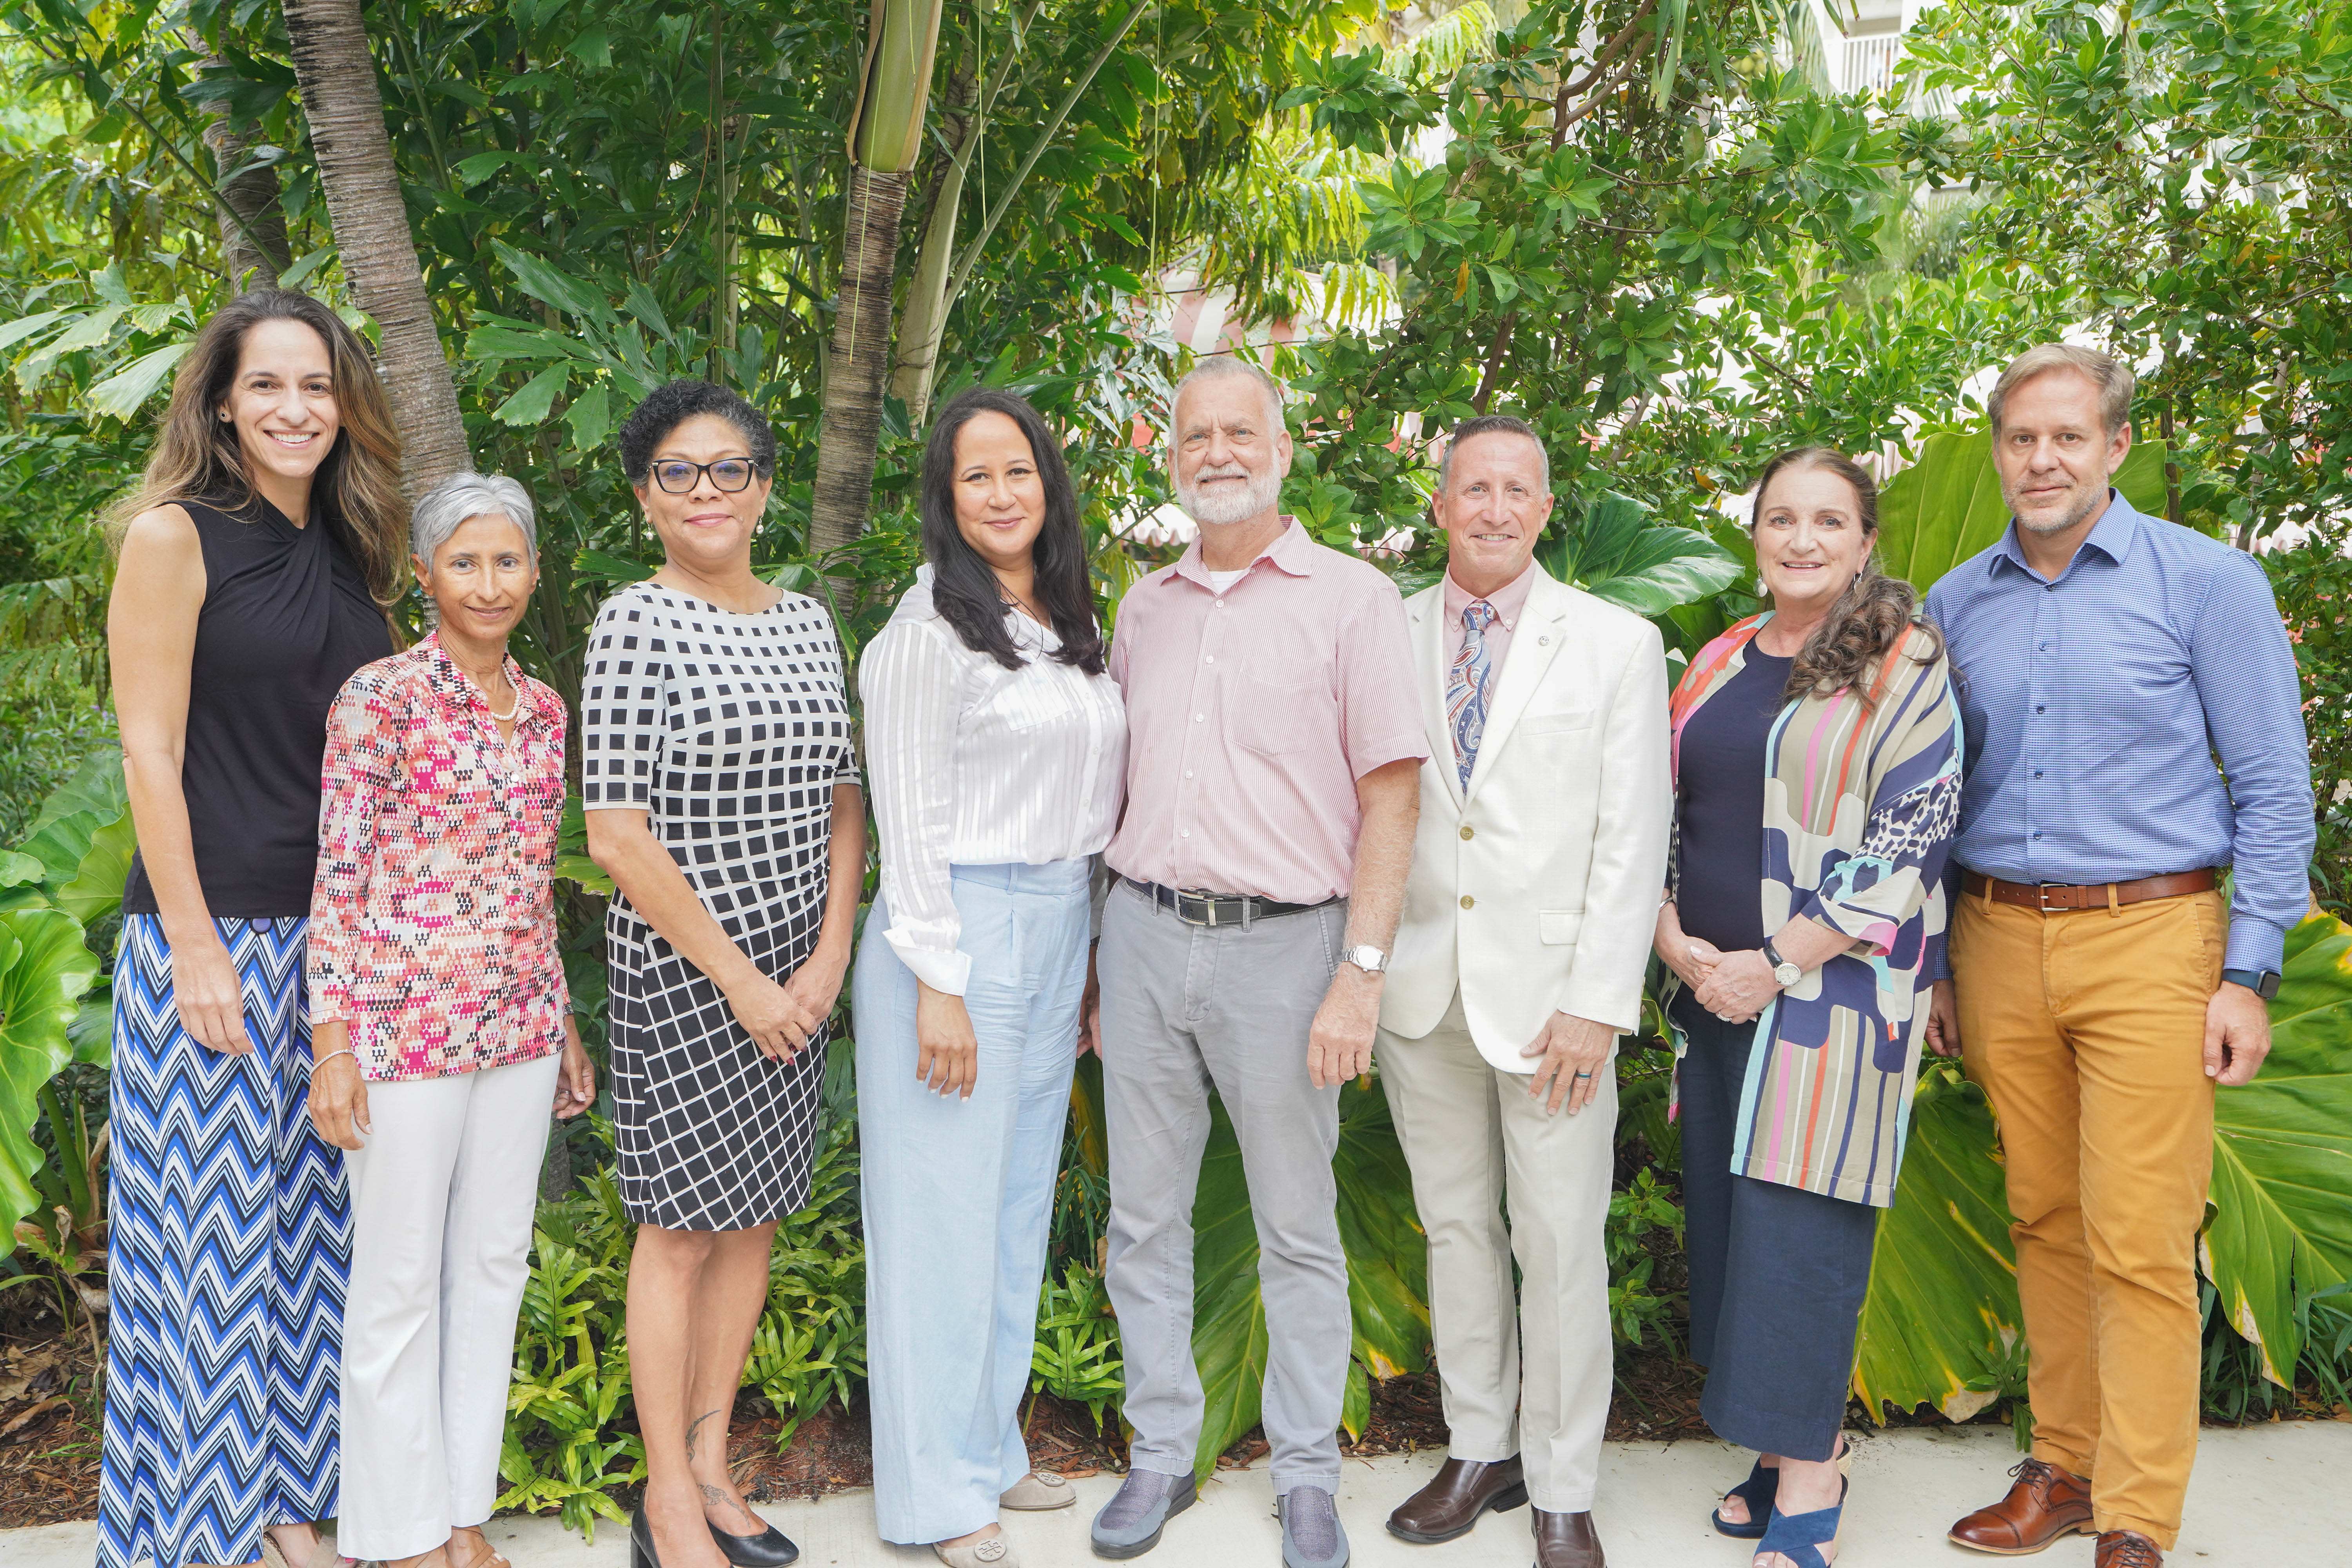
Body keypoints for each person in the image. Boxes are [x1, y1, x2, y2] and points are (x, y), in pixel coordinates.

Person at [1927, 347, 2313, 1568]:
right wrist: (1937, 961)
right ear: (1996, 451)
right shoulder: (1957, 600)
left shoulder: (2208, 584)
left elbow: (2273, 790)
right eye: (2020, 440)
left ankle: (2140, 1516)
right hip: (1994, 935)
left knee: (2140, 1236)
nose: (2041, 461)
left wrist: (2247, 974)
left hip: (2153, 938)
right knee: (2043, 1215)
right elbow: (1931, 795)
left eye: (2067, 439)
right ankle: (2068, 1466)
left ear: (2116, 449)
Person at [1087, 358, 1427, 1568]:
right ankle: (1162, 1455)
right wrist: (1093, 962)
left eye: (1241, 431)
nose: (1218, 450)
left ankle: (1306, 1478)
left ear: (1283, 449)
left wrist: (1362, 971)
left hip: (1289, 954)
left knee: (1296, 1229)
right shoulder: (1144, 607)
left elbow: (1394, 798)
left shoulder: (1353, 600)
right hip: (1140, 934)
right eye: (1196, 435)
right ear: (1170, 455)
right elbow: (1111, 787)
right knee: (1144, 1221)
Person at [100, 290, 405, 1568]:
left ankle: (288, 1512)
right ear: (221, 400)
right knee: (204, 1261)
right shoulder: (175, 537)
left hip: (329, 947)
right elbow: (149, 750)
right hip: (210, 934)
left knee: (309, 1241)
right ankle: (194, 1536)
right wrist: (198, 946)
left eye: (319, 387)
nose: (296, 409)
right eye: (269, 385)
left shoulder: (347, 548)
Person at [1654, 447, 1961, 1568]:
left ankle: (1814, 1472)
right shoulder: (1723, 656)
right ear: (1756, 534)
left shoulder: (1901, 659)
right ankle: (1779, 1442)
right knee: (1735, 1225)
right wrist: (1678, 942)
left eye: (1827, 520)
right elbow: (1662, 812)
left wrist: (1771, 963)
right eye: (1781, 518)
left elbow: (1910, 841)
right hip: (1711, 994)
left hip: (1829, 1000)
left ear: (1866, 538)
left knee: (1804, 1227)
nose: (1801, 539)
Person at [1375, 416, 1671, 1568]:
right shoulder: (1384, 633)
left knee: (1558, 1242)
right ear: (1439, 504)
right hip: (1420, 992)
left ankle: (1560, 1481)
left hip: (1556, 1002)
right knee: (1456, 1227)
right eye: (1474, 488)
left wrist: (1601, 999)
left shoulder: (1613, 643)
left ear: (1548, 510)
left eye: (1519, 491)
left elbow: (1630, 837)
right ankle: (1479, 1446)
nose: (1495, 508)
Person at [581, 382, 866, 1568]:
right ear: (647, 497)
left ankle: (710, 1470)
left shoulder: (807, 623)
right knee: (679, 1236)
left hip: (799, 984)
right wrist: (746, 980)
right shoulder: (631, 622)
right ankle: (665, 1503)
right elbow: (615, 833)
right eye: (681, 472)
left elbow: (847, 798)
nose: (710, 492)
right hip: (691, 982)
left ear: (763, 485)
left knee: (750, 1226)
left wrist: (828, 957)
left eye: (731, 468)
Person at [853, 387, 1128, 1568]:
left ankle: (988, 1449)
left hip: (1058, 920)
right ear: (946, 498)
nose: (1003, 494)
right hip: (954, 932)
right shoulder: (926, 634)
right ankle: (929, 1495)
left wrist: (1088, 958)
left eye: (1019, 470)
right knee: (936, 1224)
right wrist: (940, 981)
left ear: (1048, 484)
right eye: (977, 477)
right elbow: (908, 820)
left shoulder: (1069, 621)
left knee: (1013, 1212)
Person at [305, 472, 598, 1568]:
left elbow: (532, 887)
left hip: (518, 1027)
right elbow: (337, 876)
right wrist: (331, 1039)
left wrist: (562, 1020)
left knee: (494, 1266)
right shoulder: (380, 697)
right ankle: (398, 1535)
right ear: (424, 574)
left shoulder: (547, 710)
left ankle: (464, 1515)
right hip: (400, 1030)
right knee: (395, 1283)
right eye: (464, 562)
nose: (488, 582)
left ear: (532, 569)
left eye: (507, 560)